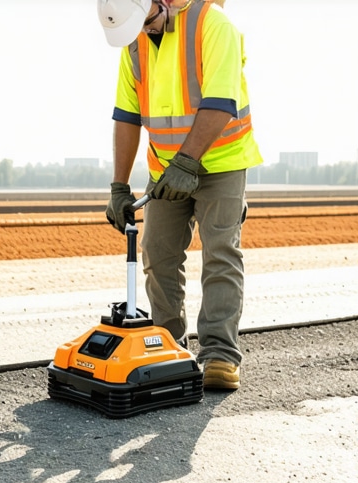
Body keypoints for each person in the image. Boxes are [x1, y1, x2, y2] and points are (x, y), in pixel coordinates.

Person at [97, 0, 263, 390]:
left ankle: (220, 355)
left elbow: (221, 102)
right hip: (166, 169)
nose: (147, 30)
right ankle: (168, 350)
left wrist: (187, 163)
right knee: (157, 254)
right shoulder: (135, 40)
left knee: (220, 251)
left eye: (150, 21)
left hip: (221, 160)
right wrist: (119, 185)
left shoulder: (213, 23)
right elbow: (127, 114)